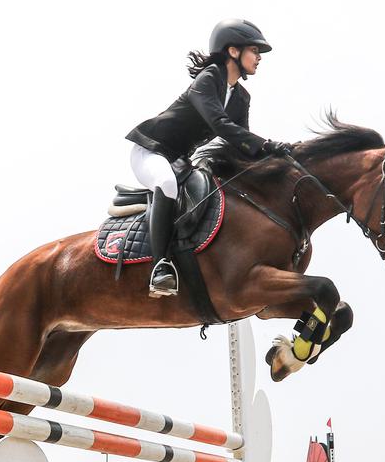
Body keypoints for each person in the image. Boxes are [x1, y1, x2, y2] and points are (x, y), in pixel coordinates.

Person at [125, 18, 293, 297]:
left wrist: (276, 162)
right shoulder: (208, 79)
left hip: (179, 159)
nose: (259, 57)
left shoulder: (241, 97)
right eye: (255, 50)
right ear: (233, 51)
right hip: (150, 151)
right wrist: (267, 145)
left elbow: (240, 143)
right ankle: (161, 266)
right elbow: (221, 125)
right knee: (166, 184)